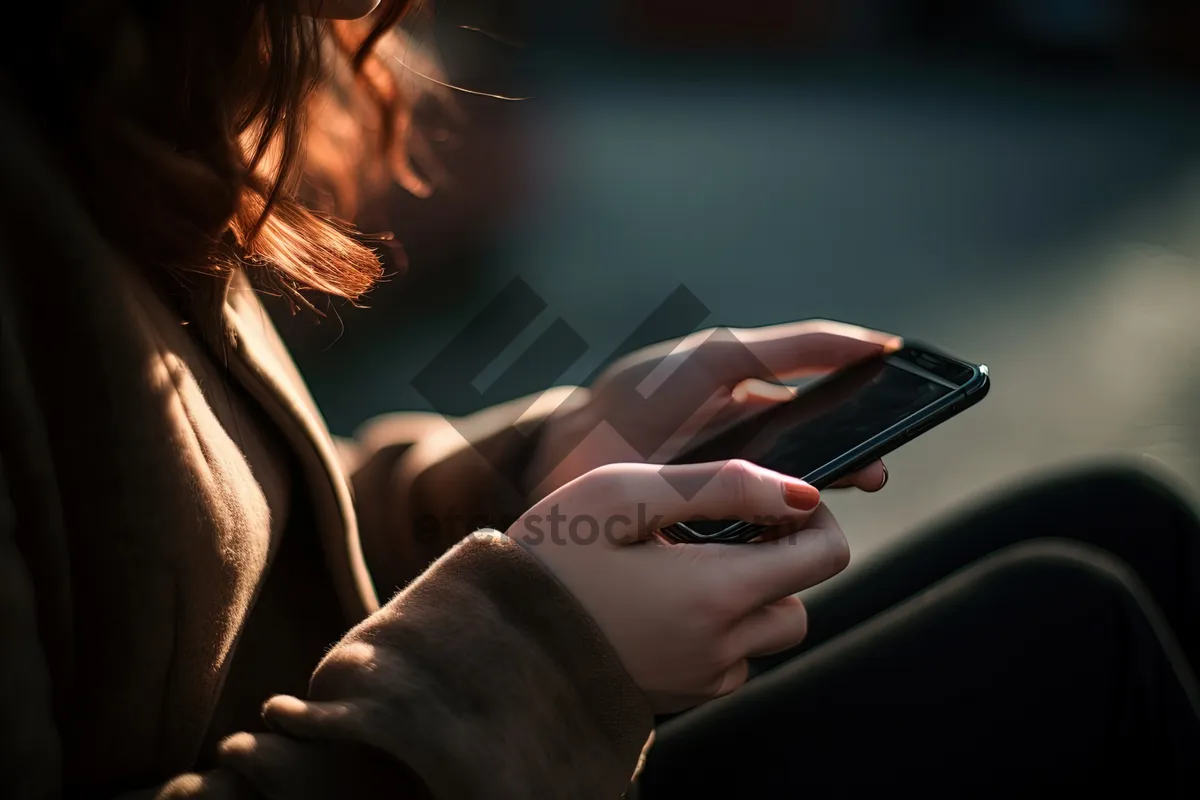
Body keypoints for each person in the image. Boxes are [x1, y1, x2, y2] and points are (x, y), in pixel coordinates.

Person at [0, 3, 1194, 800]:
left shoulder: (102, 107)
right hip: (444, 753)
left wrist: (539, 469)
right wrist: (549, 653)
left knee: (1116, 518)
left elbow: (200, 553)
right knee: (1070, 631)